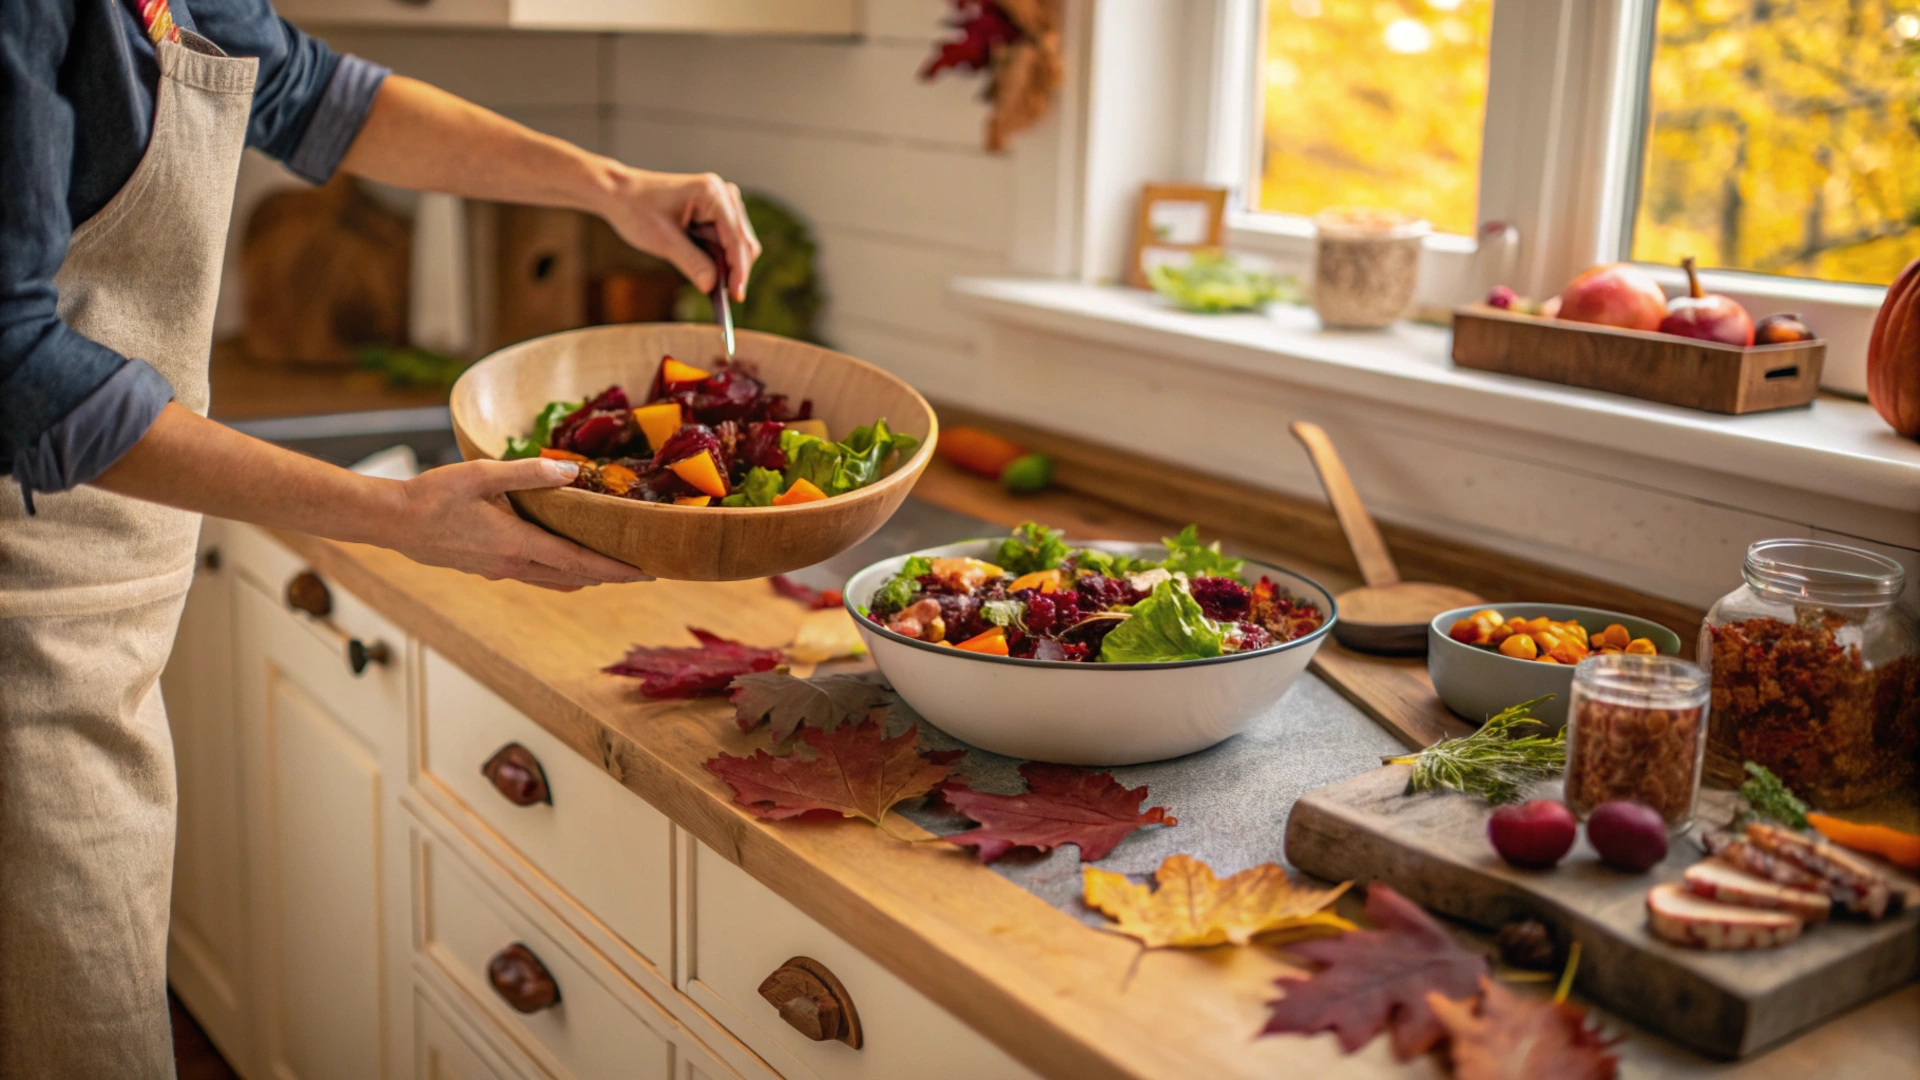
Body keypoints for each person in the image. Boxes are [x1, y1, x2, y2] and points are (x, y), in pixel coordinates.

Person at [0, 1, 760, 1072]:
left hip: (108, 595)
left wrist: (610, 189)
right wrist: (397, 517)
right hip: (22, 613)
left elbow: (309, 91)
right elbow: (18, 370)